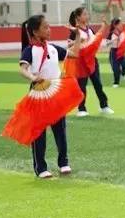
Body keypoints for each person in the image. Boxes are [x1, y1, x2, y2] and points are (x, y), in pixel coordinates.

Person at [19, 15, 81, 178]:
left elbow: (75, 53)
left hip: (55, 93)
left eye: (49, 26)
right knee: (38, 132)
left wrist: (78, 34)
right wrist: (33, 78)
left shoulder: (53, 48)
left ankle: (63, 162)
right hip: (39, 94)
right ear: (35, 32)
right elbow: (23, 69)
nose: (49, 30)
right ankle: (41, 167)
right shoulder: (30, 50)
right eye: (45, 27)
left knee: (60, 131)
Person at [68, 7, 113, 117]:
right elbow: (69, 45)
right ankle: (81, 108)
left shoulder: (89, 29)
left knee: (98, 84)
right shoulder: (75, 31)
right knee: (81, 86)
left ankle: (104, 105)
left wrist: (103, 26)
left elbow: (95, 39)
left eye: (87, 14)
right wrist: (77, 41)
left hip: (92, 60)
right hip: (80, 62)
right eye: (84, 14)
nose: (87, 16)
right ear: (78, 17)